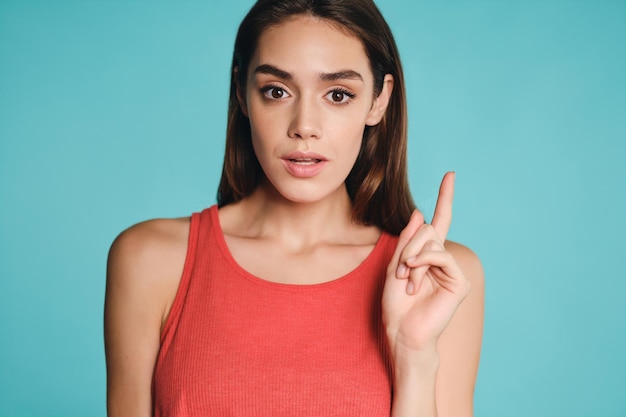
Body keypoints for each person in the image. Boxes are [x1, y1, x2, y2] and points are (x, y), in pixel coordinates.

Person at [104, 0, 484, 416]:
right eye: (277, 91)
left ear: (378, 100)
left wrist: (414, 355)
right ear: (242, 94)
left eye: (338, 94)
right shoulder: (151, 260)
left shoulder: (437, 279)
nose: (304, 125)